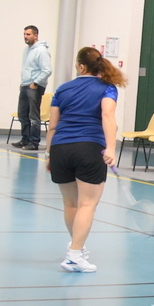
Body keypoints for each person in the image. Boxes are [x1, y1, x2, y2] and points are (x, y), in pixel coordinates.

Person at [44, 47, 124, 273]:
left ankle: (76, 248)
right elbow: (108, 116)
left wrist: (49, 154)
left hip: (60, 148)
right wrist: (111, 148)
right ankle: (74, 255)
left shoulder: (62, 89)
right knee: (87, 205)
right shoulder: (107, 88)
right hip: (89, 148)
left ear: (80, 66)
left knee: (71, 204)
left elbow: (52, 126)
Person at [16, 25, 51, 150]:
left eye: (28, 34)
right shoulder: (26, 50)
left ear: (35, 36)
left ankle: (34, 142)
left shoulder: (41, 51)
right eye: (24, 34)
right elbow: (27, 69)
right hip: (26, 85)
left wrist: (35, 83)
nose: (25, 36)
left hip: (35, 86)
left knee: (33, 116)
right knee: (22, 114)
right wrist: (23, 83)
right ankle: (25, 139)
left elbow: (47, 70)